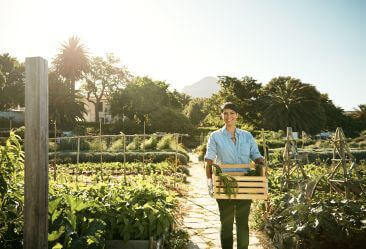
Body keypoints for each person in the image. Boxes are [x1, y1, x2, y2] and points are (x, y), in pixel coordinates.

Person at [204, 102, 264, 249]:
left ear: (237, 115)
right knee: (226, 224)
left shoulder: (247, 136)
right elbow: (209, 160)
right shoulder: (215, 136)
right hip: (224, 185)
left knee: (243, 224)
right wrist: (210, 182)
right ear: (221, 115)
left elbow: (256, 155)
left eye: (231, 113)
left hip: (245, 185)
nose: (228, 116)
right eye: (225, 113)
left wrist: (261, 163)